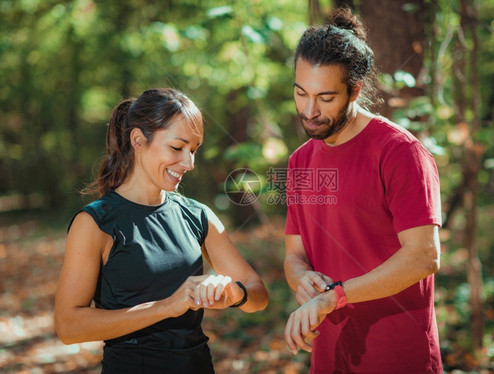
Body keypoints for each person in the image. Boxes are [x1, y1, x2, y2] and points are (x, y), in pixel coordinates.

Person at [55, 88, 269, 373]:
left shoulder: (198, 215)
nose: (189, 163)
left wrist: (234, 294)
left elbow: (258, 294)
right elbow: (69, 327)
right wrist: (166, 306)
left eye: (193, 150)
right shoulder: (96, 223)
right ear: (138, 140)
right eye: (177, 148)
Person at [283, 8, 443, 373]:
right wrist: (303, 279)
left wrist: (334, 297)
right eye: (300, 93)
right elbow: (294, 254)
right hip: (330, 355)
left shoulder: (400, 153)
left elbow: (423, 256)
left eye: (326, 98)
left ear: (354, 90)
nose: (309, 110)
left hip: (398, 355)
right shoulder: (299, 162)